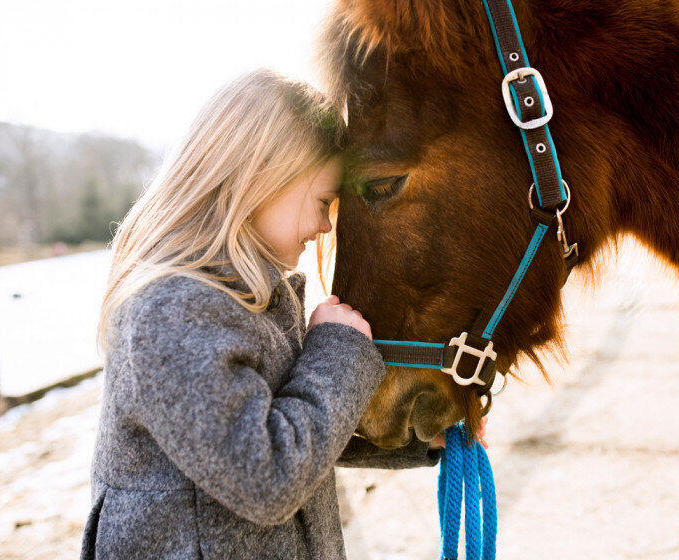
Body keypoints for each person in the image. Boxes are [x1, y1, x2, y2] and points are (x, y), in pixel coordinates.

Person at [80, 68, 442, 560]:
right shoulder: (168, 310)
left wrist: (418, 439)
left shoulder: (252, 297)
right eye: (322, 203)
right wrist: (337, 350)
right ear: (262, 173)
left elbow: (292, 424)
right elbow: (265, 475)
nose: (322, 227)